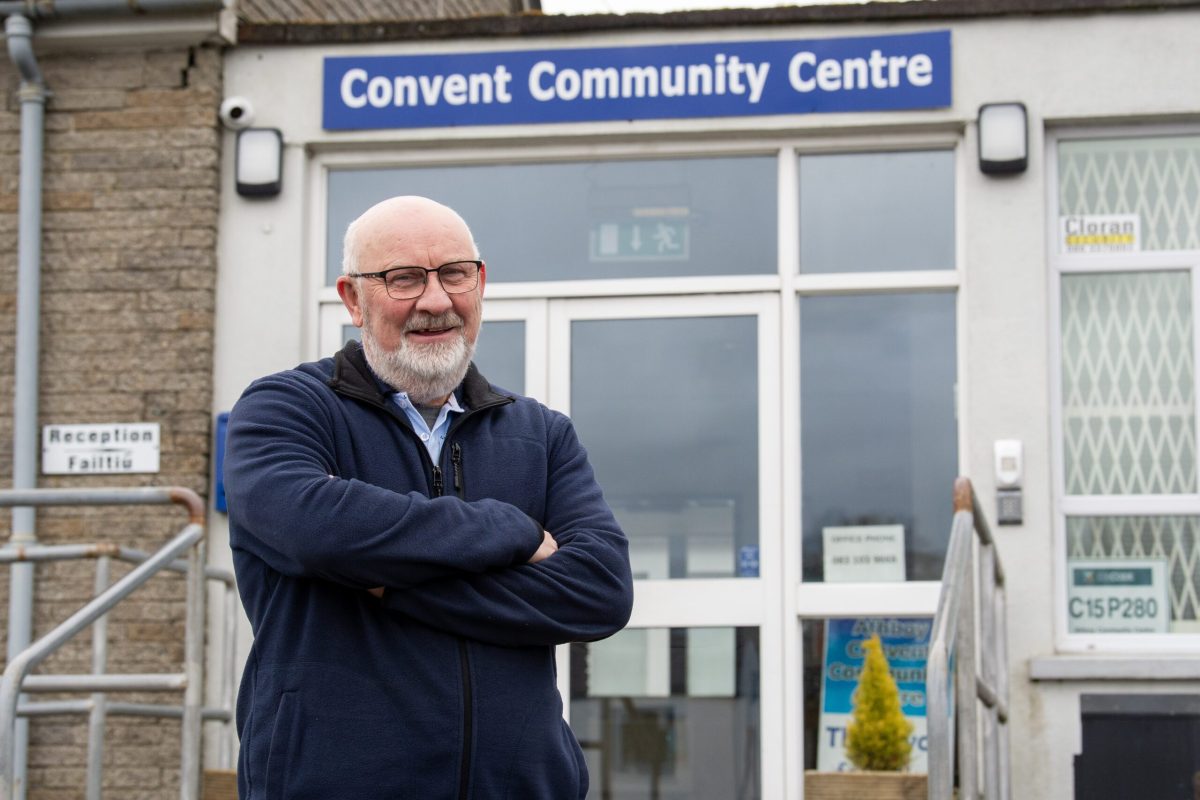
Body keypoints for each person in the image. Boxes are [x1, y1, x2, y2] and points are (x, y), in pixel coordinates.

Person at [223, 196, 634, 800]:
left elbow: (601, 592)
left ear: (480, 282)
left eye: (453, 274)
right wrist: (511, 530)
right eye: (403, 279)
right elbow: (315, 530)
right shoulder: (284, 411)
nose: (436, 301)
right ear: (352, 298)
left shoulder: (541, 434)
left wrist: (390, 584)